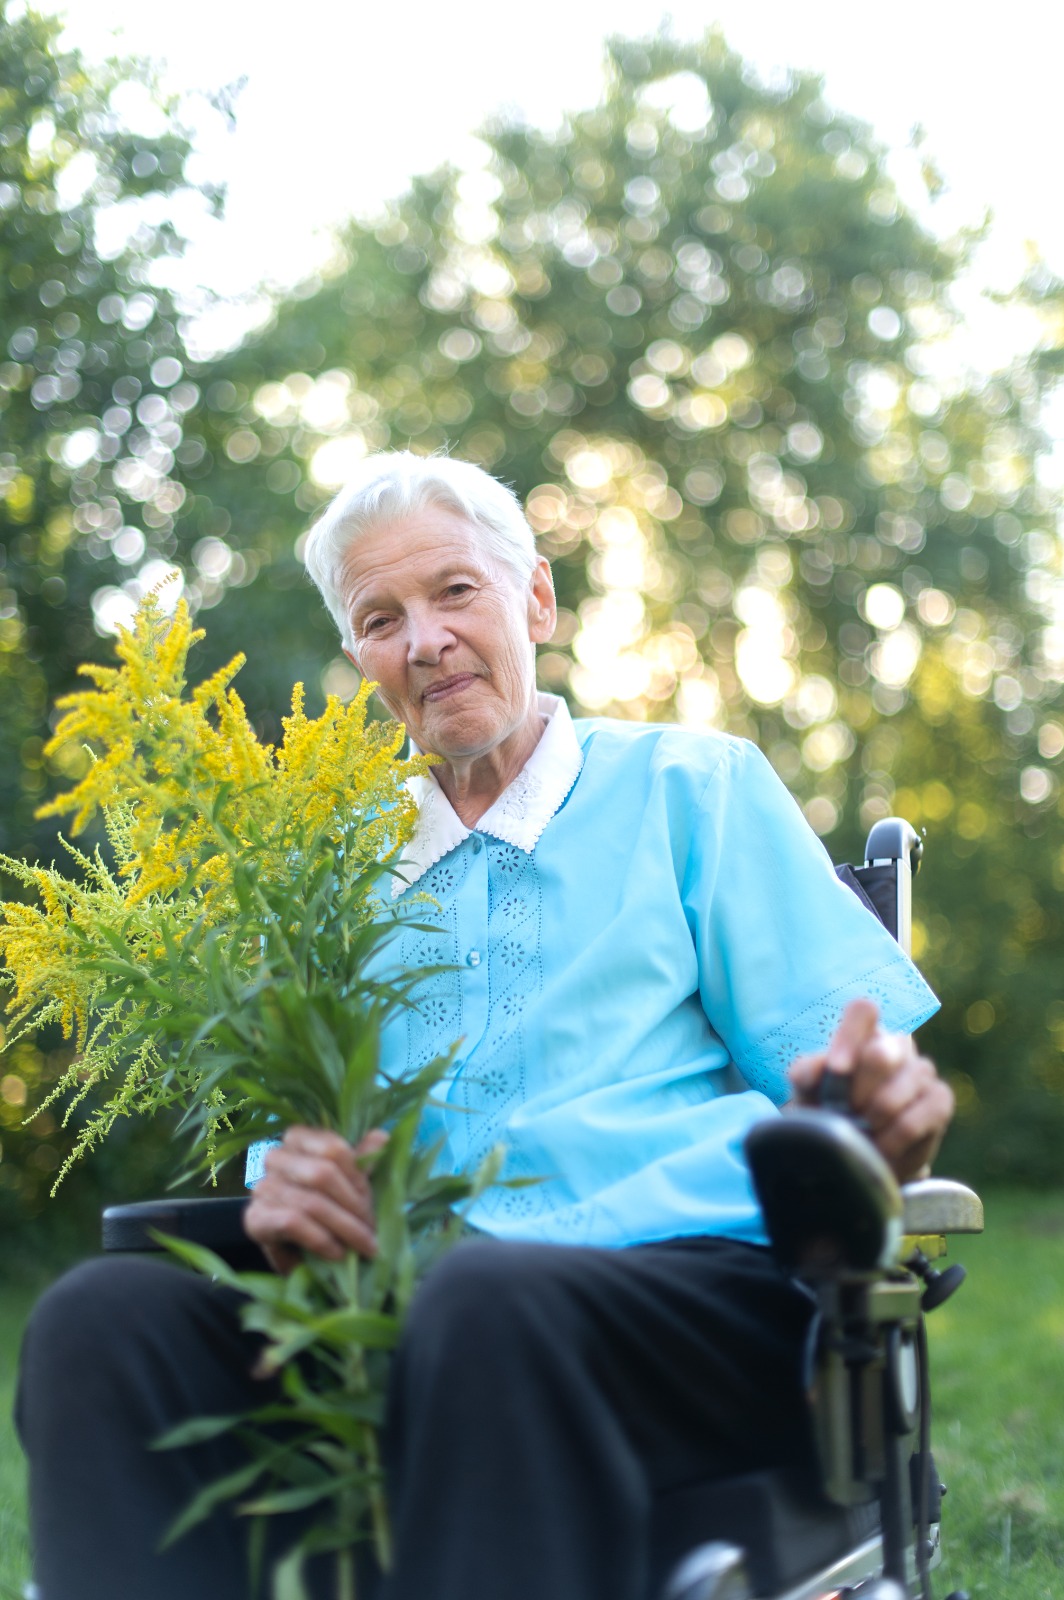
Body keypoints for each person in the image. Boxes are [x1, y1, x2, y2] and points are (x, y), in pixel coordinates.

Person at [16, 451, 954, 1600]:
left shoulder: (691, 788)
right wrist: (294, 1198)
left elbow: (846, 1084)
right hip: (396, 1316)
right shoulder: (320, 867)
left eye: (455, 591)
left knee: (485, 1294)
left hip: (686, 1301)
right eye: (380, 618)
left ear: (537, 600)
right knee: (101, 1320)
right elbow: (295, 1163)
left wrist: (874, 1110)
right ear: (359, 656)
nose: (424, 640)